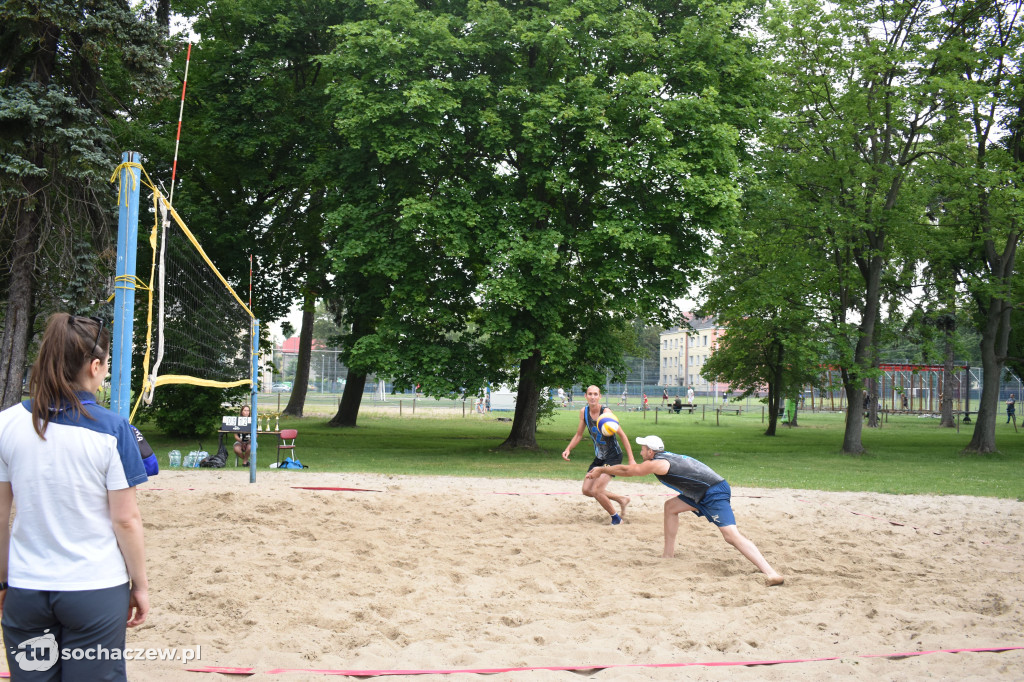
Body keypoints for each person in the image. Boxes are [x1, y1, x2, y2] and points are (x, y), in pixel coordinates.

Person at [0, 313, 149, 679]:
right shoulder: (113, 429)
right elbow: (125, 519)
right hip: (94, 588)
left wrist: (3, 581)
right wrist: (140, 585)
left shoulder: (6, 423)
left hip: (26, 586)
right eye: (107, 366)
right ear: (95, 366)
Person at [586, 434, 784, 586]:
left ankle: (771, 573)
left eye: (643, 448)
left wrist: (602, 469)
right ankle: (668, 554)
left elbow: (630, 471)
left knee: (731, 535)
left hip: (712, 493)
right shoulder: (663, 457)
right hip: (699, 492)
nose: (640, 451)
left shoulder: (658, 464)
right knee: (671, 507)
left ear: (651, 452)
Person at [562, 385, 635, 525]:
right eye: (590, 394)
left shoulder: (606, 412)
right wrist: (568, 448)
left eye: (596, 394)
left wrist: (631, 459)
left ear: (600, 396)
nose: (593, 397)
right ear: (585, 396)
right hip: (600, 456)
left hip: (613, 456)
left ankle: (616, 519)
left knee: (596, 490)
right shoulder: (584, 412)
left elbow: (623, 435)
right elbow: (578, 435)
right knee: (586, 490)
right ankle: (621, 499)